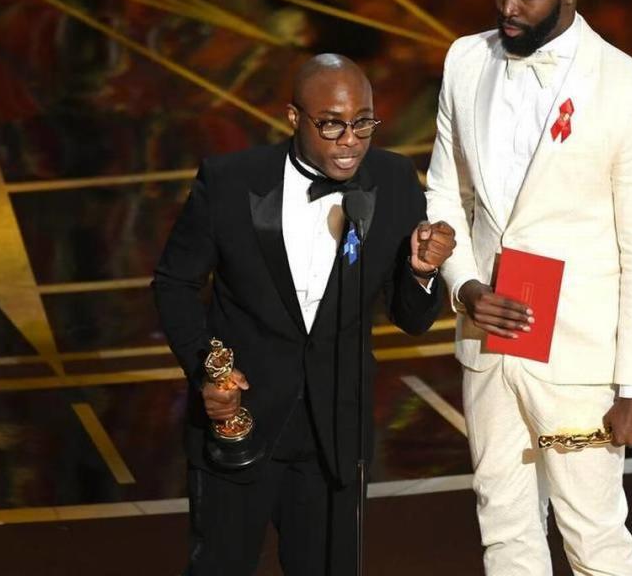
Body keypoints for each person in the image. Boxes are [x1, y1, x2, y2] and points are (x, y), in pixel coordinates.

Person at [425, 0, 632, 575]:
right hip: (489, 337)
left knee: (592, 535)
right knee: (503, 526)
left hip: (579, 358)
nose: (507, 6)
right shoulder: (464, 61)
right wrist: (467, 286)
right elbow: (446, 196)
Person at [153, 53, 456, 576]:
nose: (351, 141)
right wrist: (208, 368)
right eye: (332, 124)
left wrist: (423, 271)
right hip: (239, 424)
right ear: (294, 118)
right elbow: (174, 283)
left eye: (363, 123)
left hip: (335, 436)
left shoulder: (393, 179)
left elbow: (412, 317)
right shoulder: (228, 181)